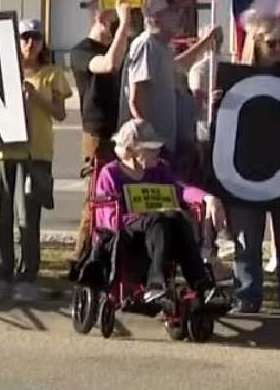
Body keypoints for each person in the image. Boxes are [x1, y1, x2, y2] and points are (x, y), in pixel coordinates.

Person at [0, 19, 71, 301]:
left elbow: (60, 113)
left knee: (28, 217)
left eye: (35, 38)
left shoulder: (52, 74)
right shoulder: (0, 71)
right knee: (1, 215)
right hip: (0, 150)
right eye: (24, 38)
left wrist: (35, 97)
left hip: (35, 152)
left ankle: (26, 275)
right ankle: (1, 273)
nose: (29, 43)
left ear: (43, 42)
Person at [92, 119, 225, 304]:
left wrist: (206, 197)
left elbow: (180, 189)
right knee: (158, 218)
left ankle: (201, 284)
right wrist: (147, 214)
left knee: (176, 217)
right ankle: (155, 285)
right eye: (151, 148)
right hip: (126, 234)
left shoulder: (159, 168)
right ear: (132, 151)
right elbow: (111, 218)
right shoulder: (110, 174)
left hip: (159, 231)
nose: (158, 152)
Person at [218, 11, 280, 314]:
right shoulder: (235, 80)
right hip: (245, 173)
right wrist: (217, 104)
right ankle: (247, 298)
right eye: (273, 43)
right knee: (246, 243)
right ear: (257, 43)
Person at [119, 0, 219, 176]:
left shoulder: (161, 47)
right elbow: (136, 99)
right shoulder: (146, 45)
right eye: (173, 12)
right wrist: (148, 141)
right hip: (150, 149)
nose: (179, 16)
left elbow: (179, 66)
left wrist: (206, 41)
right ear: (155, 17)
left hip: (164, 146)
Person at [68, 0, 133, 261]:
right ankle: (81, 257)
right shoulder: (81, 51)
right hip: (97, 133)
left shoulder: (114, 47)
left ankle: (109, 254)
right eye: (114, 23)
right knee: (96, 196)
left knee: (119, 196)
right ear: (100, 19)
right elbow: (108, 65)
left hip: (119, 132)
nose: (120, 29)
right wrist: (125, 23)